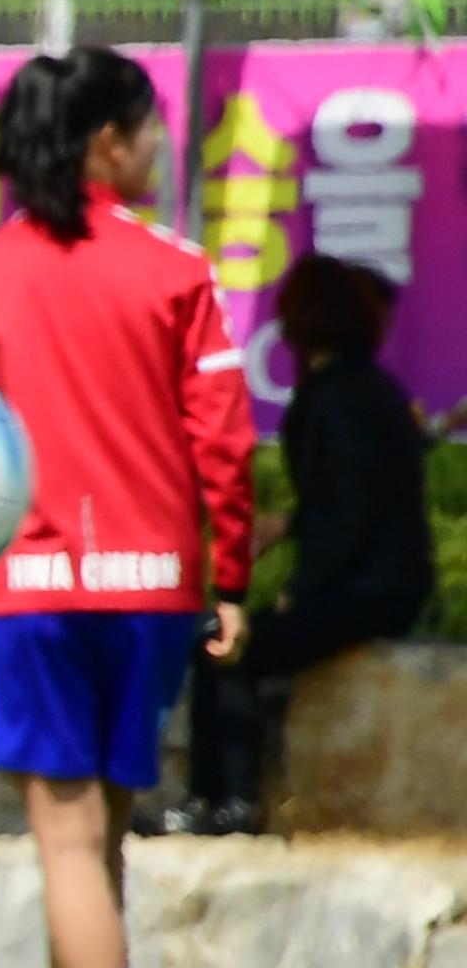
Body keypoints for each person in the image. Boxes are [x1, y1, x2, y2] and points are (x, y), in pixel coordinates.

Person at [0, 46, 252, 968]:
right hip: (154, 585)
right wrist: (235, 573)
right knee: (99, 834)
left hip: (33, 585)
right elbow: (224, 437)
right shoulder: (174, 269)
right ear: (106, 143)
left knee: (67, 843)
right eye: (154, 126)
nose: (166, 145)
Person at [176, 255, 434, 832]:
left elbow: (350, 512)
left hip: (367, 588)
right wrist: (291, 526)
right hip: (384, 581)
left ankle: (226, 802)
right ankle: (216, 800)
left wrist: (301, 588)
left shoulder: (340, 397)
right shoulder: (362, 388)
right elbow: (354, 493)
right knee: (230, 641)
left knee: (226, 646)